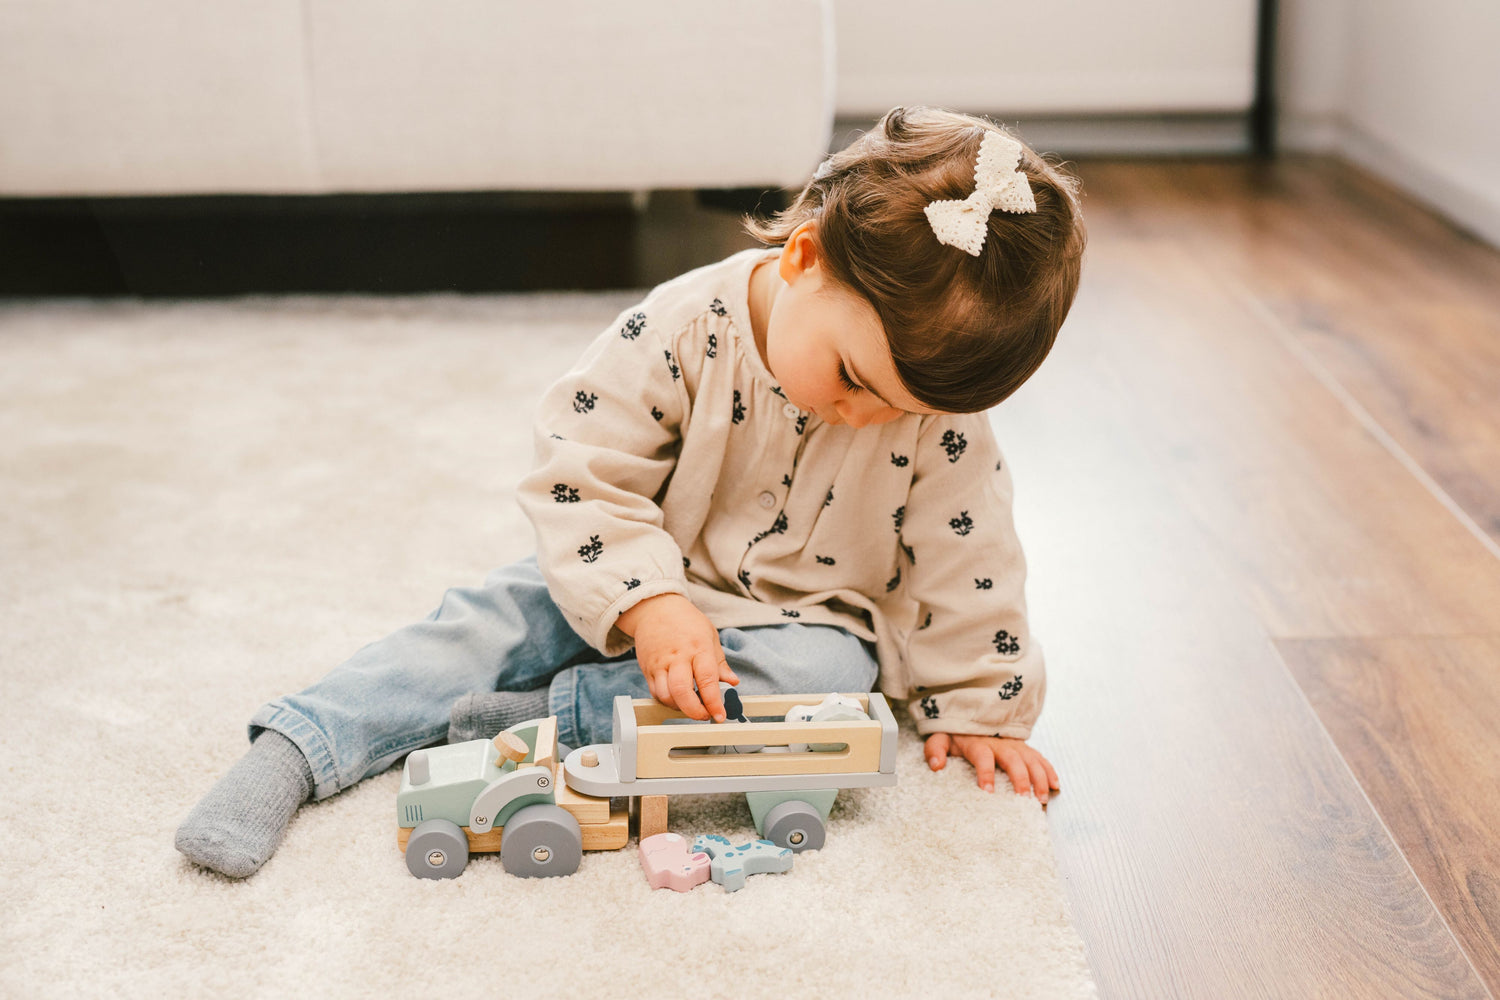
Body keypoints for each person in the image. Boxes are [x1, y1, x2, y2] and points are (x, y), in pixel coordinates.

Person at [175, 105, 1088, 879]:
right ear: (807, 257)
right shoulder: (685, 328)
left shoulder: (930, 415)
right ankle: (301, 747)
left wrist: (980, 709)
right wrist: (649, 602)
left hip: (792, 623)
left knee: (834, 685)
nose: (862, 417)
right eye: (852, 377)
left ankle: (538, 723)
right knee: (486, 622)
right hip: (623, 577)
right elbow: (581, 469)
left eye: (898, 407)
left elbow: (968, 561)